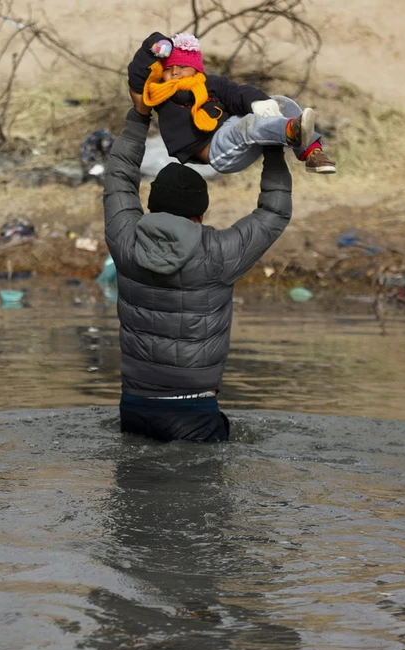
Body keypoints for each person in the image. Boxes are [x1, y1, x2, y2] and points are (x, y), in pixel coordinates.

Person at [103, 78, 293, 442]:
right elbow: (275, 211)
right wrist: (272, 146)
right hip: (193, 411)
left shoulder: (124, 238)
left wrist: (139, 116)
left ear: (152, 205)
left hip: (134, 407)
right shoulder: (220, 253)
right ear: (200, 214)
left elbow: (119, 177)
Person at [129, 32, 336, 175]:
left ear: (196, 69)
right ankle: (290, 131)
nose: (175, 72)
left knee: (281, 102)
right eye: (168, 68)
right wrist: (153, 46)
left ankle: (313, 154)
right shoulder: (159, 97)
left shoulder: (210, 83)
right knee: (245, 125)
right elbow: (138, 79)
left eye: (183, 66)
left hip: (244, 139)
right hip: (220, 153)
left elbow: (236, 92)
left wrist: (259, 102)